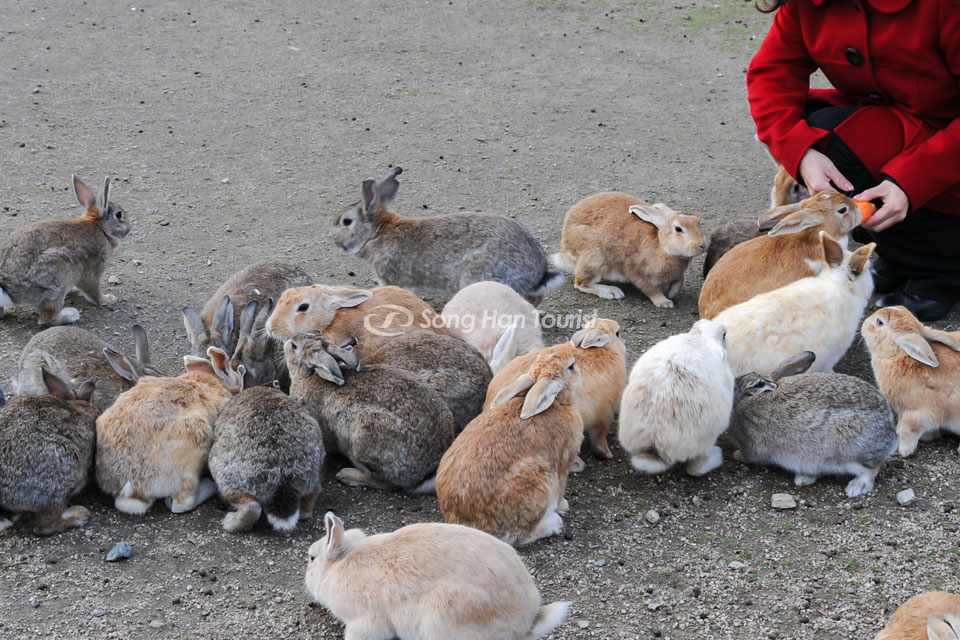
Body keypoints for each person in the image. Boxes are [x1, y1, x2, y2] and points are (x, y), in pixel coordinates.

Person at [746, 0, 960, 321]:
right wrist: (801, 153)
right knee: (814, 131)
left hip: (948, 150)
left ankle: (942, 271)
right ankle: (901, 255)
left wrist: (910, 181)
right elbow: (772, 74)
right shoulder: (807, 5)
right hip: (903, 130)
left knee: (839, 139)